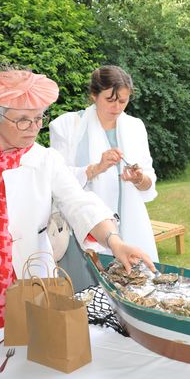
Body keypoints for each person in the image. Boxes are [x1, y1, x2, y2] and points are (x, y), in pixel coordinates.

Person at [0, 68, 154, 328]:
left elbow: (79, 202)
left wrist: (115, 242)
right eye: (23, 120)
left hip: (27, 276)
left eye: (37, 119)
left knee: (26, 344)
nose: (33, 128)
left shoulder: (45, 160)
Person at [50, 66, 158, 288]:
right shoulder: (67, 126)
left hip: (132, 226)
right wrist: (95, 168)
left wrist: (139, 179)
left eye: (123, 101)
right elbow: (56, 180)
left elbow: (149, 181)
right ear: (93, 95)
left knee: (136, 292)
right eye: (110, 100)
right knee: (89, 298)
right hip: (84, 232)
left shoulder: (135, 127)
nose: (117, 107)